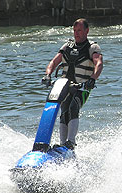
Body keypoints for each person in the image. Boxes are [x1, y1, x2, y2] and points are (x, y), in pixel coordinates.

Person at [43, 18, 103, 150]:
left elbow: (98, 63)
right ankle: (62, 144)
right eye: (75, 30)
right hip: (65, 86)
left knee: (73, 107)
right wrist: (47, 75)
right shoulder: (67, 46)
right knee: (64, 111)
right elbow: (53, 62)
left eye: (80, 30)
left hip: (83, 87)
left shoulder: (92, 47)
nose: (76, 33)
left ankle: (71, 142)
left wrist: (92, 79)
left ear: (87, 31)